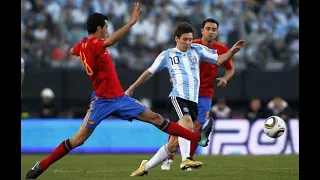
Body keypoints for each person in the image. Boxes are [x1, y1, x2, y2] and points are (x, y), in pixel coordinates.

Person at [25, 3, 213, 180]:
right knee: (78, 140)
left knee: (156, 118)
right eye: (106, 27)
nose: (107, 30)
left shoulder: (82, 46)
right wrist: (131, 22)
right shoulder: (94, 45)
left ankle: (197, 137)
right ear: (99, 29)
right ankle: (41, 166)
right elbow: (110, 41)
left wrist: (77, 53)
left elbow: (73, 51)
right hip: (101, 101)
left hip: (121, 99)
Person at [126, 22, 245, 176]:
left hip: (193, 101)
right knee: (187, 123)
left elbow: (218, 60)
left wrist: (232, 51)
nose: (188, 43)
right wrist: (131, 88)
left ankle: (146, 166)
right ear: (176, 39)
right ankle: (186, 159)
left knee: (174, 144)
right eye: (185, 39)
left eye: (190, 39)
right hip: (177, 98)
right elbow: (149, 72)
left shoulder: (197, 49)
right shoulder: (167, 55)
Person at [161, 18, 235, 171]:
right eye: (208, 29)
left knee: (196, 126)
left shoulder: (221, 49)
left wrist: (225, 79)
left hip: (206, 94)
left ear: (217, 32)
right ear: (202, 30)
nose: (211, 32)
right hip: (186, 92)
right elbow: (174, 58)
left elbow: (230, 68)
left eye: (214, 29)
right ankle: (169, 158)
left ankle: (188, 159)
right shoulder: (191, 44)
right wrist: (174, 75)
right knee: (178, 126)